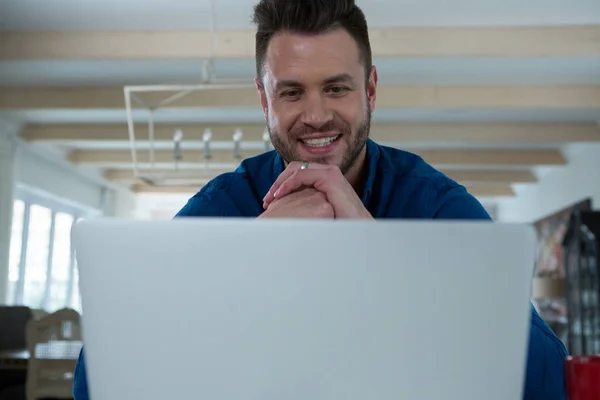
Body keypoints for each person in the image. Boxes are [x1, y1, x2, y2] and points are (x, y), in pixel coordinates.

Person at [73, 0, 568, 398]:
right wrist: (248, 252)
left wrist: (375, 251)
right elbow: (96, 381)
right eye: (291, 93)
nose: (315, 116)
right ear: (265, 100)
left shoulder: (435, 204)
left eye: (336, 88)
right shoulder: (224, 206)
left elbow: (544, 380)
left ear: (370, 91)